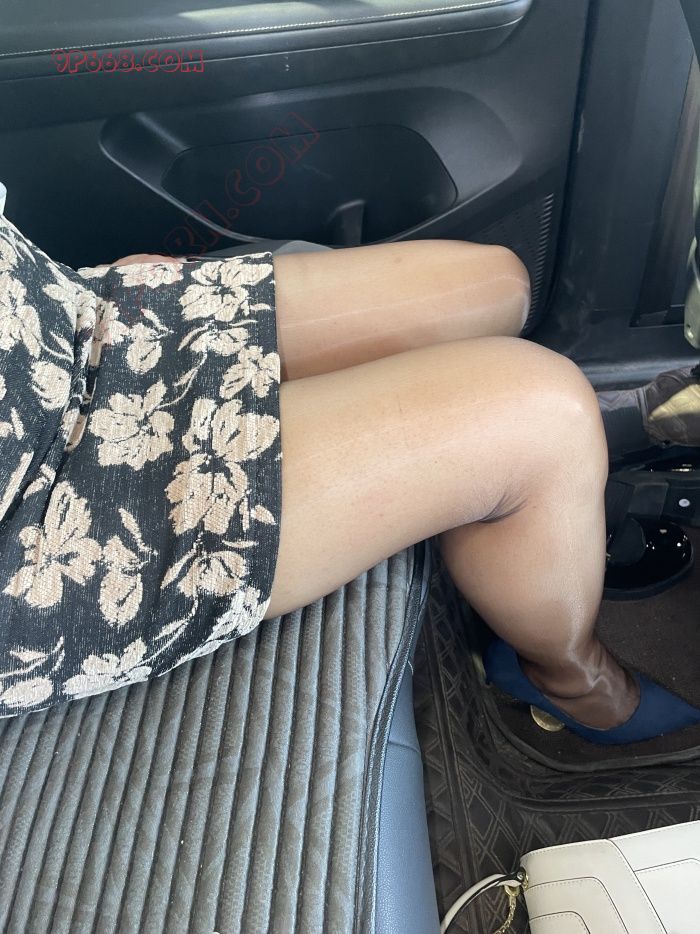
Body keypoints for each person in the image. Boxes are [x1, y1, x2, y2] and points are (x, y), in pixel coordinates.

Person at [1, 216, 699, 744]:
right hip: (45, 507)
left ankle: (533, 500)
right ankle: (572, 680)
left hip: (56, 324)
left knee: (496, 287)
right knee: (547, 418)